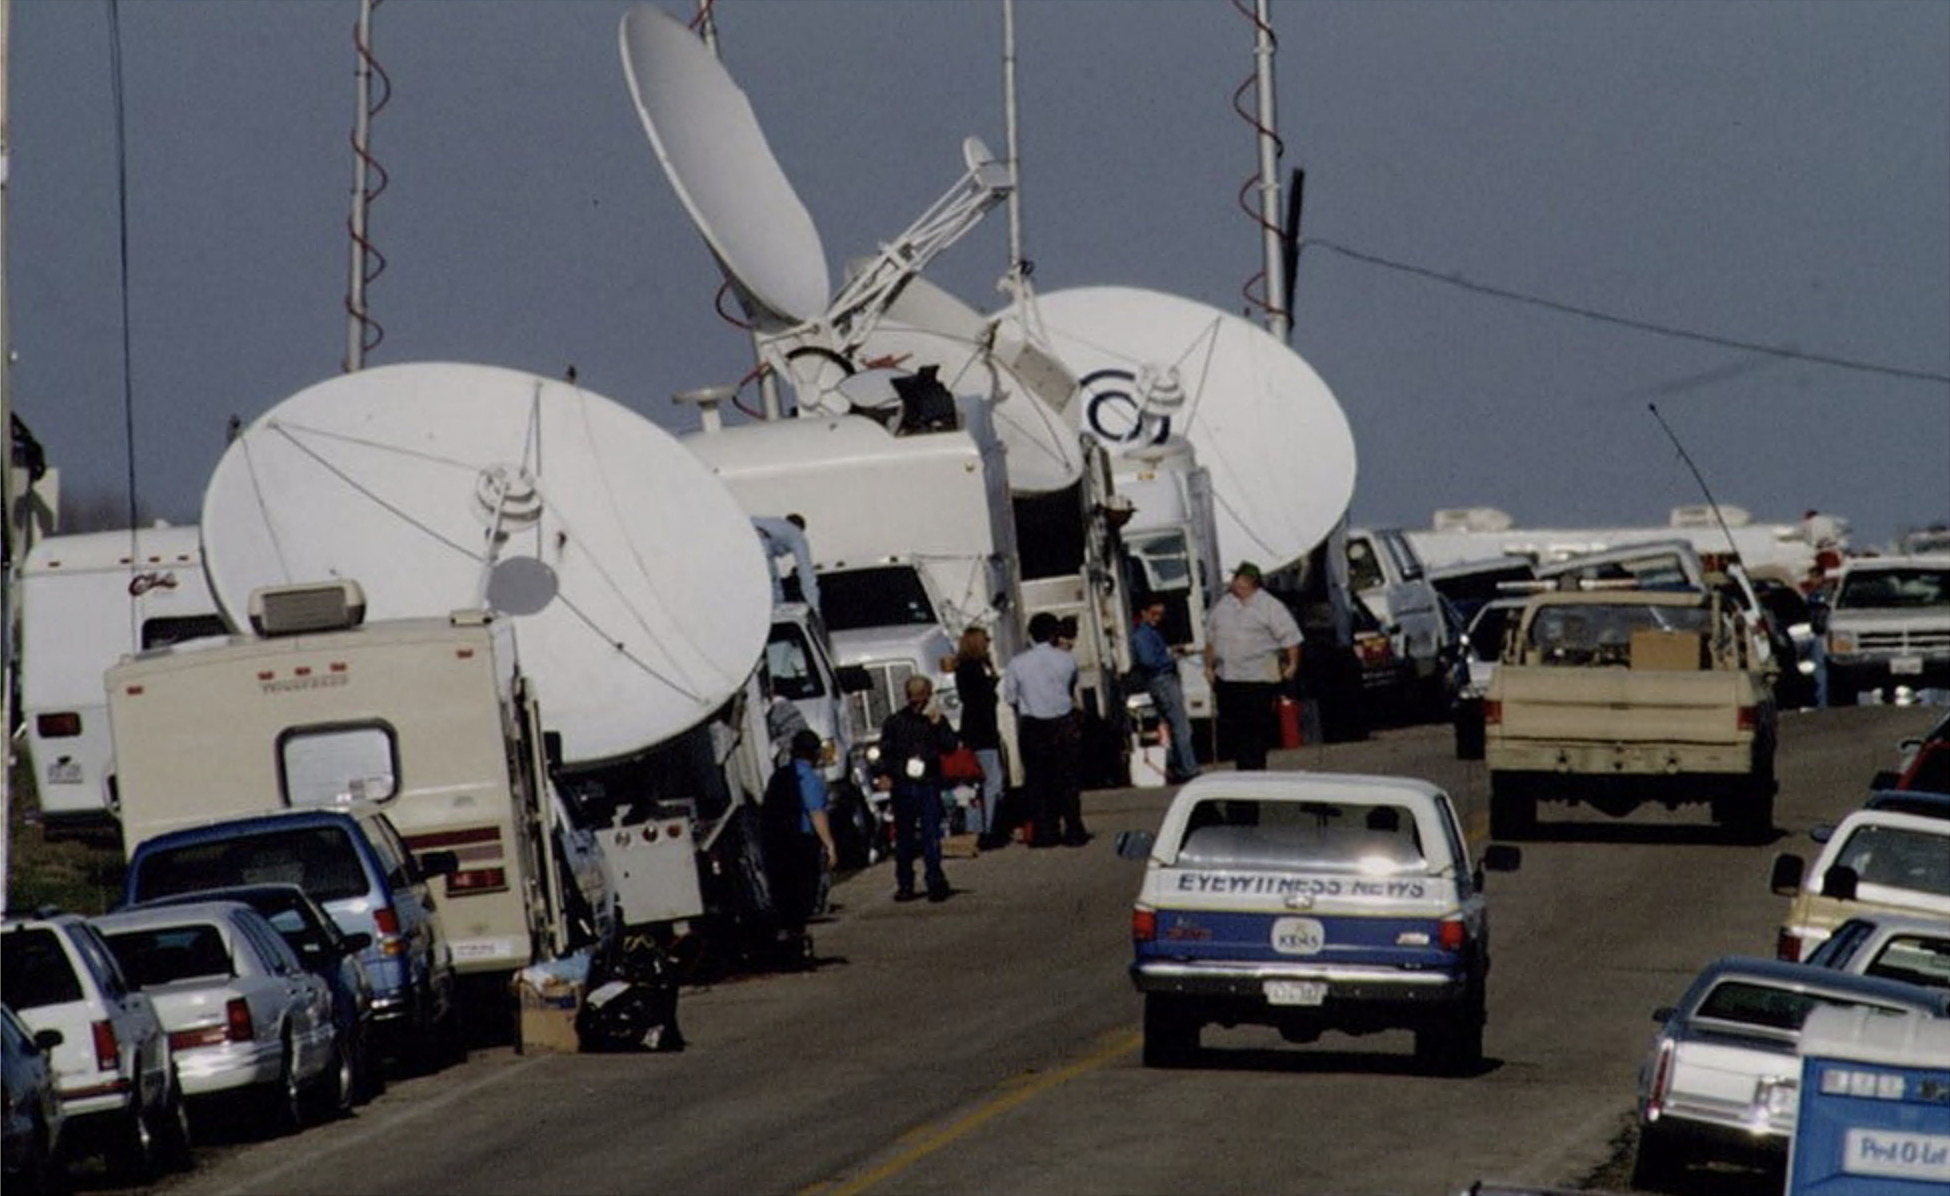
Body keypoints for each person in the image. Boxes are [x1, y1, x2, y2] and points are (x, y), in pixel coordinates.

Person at [1203, 561, 1302, 772]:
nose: (1234, 583)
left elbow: (1290, 638)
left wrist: (1292, 664)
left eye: (1238, 579)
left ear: (1250, 582)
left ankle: (1254, 773)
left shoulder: (1270, 606)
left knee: (1255, 732)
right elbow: (1211, 638)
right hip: (1228, 679)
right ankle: (1243, 772)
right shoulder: (1224, 604)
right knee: (1235, 733)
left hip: (1258, 680)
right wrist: (1208, 666)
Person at [1004, 611, 1088, 847]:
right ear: (1054, 634)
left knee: (1037, 780)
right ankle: (1074, 828)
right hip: (1062, 721)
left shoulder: (1017, 663)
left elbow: (1011, 696)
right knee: (1068, 779)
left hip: (1033, 725)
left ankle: (1045, 831)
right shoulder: (1066, 659)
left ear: (1031, 634)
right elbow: (1071, 687)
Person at [874, 675, 957, 903]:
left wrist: (938, 723)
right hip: (903, 784)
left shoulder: (934, 721)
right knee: (905, 838)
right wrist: (884, 773)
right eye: (914, 699)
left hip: (928, 782)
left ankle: (935, 880)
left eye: (922, 698)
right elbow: (884, 751)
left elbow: (950, 746)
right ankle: (905, 883)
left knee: (931, 834)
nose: (918, 703)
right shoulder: (895, 722)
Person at [761, 728, 839, 965]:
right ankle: (797, 946)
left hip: (776, 843)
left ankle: (786, 945)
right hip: (801, 843)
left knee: (783, 896)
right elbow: (816, 813)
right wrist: (829, 845)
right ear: (814, 754)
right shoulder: (809, 779)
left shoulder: (779, 777)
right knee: (802, 895)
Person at [950, 626, 1008, 850]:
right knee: (992, 781)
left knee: (972, 783)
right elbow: (982, 699)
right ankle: (990, 828)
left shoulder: (961, 668)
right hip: (984, 732)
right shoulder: (976, 669)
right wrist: (993, 681)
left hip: (970, 731)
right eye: (985, 640)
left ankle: (975, 827)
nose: (989, 643)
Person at [1133, 596, 1201, 784]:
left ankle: (1181, 765)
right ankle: (1188, 767)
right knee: (1181, 725)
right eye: (1154, 614)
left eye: (1160, 615)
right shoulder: (1142, 635)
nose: (1157, 618)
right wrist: (1170, 657)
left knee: (1174, 724)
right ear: (1144, 613)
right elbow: (1148, 660)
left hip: (1161, 680)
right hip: (1162, 680)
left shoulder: (1151, 632)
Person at [752, 513, 820, 613]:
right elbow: (806, 571)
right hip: (757, 546)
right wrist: (815, 606)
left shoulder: (772, 522)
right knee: (773, 591)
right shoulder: (796, 534)